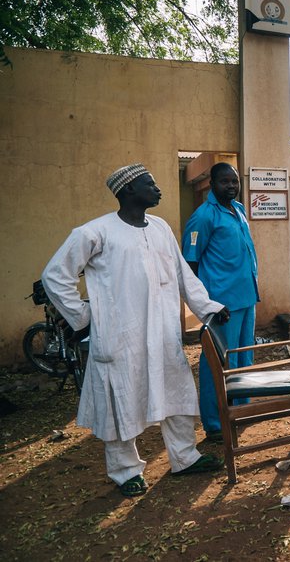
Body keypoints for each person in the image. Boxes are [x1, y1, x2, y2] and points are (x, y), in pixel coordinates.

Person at [42, 164, 229, 498]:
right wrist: (84, 316)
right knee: (121, 400)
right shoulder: (94, 232)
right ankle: (125, 471)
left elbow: (183, 274)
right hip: (120, 336)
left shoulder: (160, 228)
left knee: (177, 393)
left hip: (163, 331)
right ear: (129, 190)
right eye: (150, 184)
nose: (158, 189)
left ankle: (185, 457)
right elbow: (55, 276)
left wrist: (209, 308)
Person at [182, 163, 259, 443]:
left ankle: (240, 409)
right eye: (225, 181)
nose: (231, 186)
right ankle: (215, 423)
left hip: (247, 298)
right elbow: (189, 264)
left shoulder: (238, 210)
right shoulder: (203, 217)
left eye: (234, 181)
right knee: (217, 361)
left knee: (242, 357)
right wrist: (204, 303)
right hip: (221, 305)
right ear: (212, 184)